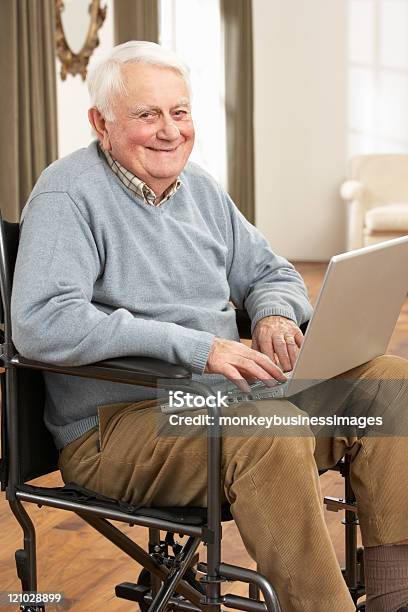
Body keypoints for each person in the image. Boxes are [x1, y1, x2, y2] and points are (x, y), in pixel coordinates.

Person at [10, 41, 408, 612]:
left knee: (388, 388)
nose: (169, 131)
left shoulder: (198, 187)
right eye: (147, 115)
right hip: (120, 423)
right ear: (101, 122)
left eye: (180, 112)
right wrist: (198, 348)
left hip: (219, 404)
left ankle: (397, 598)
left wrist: (273, 310)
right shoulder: (67, 194)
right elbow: (41, 322)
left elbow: (270, 270)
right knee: (266, 426)